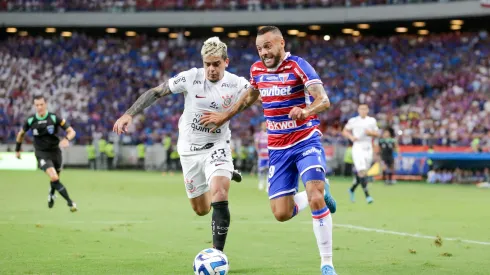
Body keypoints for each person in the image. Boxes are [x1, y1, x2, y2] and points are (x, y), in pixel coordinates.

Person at [200, 26, 337, 275]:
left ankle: (326, 263)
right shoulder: (257, 70)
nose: (264, 52)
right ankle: (317, 192)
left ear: (281, 43)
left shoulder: (299, 66)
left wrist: (306, 112)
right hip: (278, 148)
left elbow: (324, 100)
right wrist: (223, 117)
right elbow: (248, 98)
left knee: (315, 195)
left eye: (268, 46)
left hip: (306, 140)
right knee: (281, 213)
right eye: (260, 48)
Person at [113, 37, 243, 252]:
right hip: (189, 151)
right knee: (201, 210)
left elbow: (257, 96)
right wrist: (129, 114)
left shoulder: (236, 83)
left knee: (220, 192)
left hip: (217, 146)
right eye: (207, 64)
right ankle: (226, 173)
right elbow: (156, 92)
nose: (211, 69)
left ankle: (216, 254)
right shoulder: (190, 77)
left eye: (216, 64)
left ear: (226, 62)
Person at [15, 95, 78, 212]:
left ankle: (51, 194)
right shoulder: (31, 120)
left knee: (55, 179)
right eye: (37, 105)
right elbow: (20, 134)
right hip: (41, 153)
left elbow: (71, 131)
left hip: (56, 152)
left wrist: (66, 139)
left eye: (41, 104)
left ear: (46, 104)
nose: (39, 107)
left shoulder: (54, 118)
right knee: (54, 176)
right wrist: (17, 150)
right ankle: (70, 203)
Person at [343, 104, 379, 204]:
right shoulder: (353, 120)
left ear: (367, 110)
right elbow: (345, 131)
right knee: (361, 171)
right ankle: (368, 196)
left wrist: (370, 133)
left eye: (365, 109)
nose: (363, 111)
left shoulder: (372, 121)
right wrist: (351, 137)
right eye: (361, 109)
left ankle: (352, 189)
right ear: (358, 110)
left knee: (364, 173)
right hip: (357, 146)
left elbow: (377, 133)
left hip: (368, 146)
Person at [254, 121, 269, 191]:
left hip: (269, 156)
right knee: (261, 170)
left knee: (269, 171)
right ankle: (261, 183)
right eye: (263, 125)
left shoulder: (270, 134)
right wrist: (258, 152)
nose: (264, 126)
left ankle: (267, 185)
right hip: (262, 156)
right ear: (261, 126)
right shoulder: (259, 135)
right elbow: (256, 144)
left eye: (266, 125)